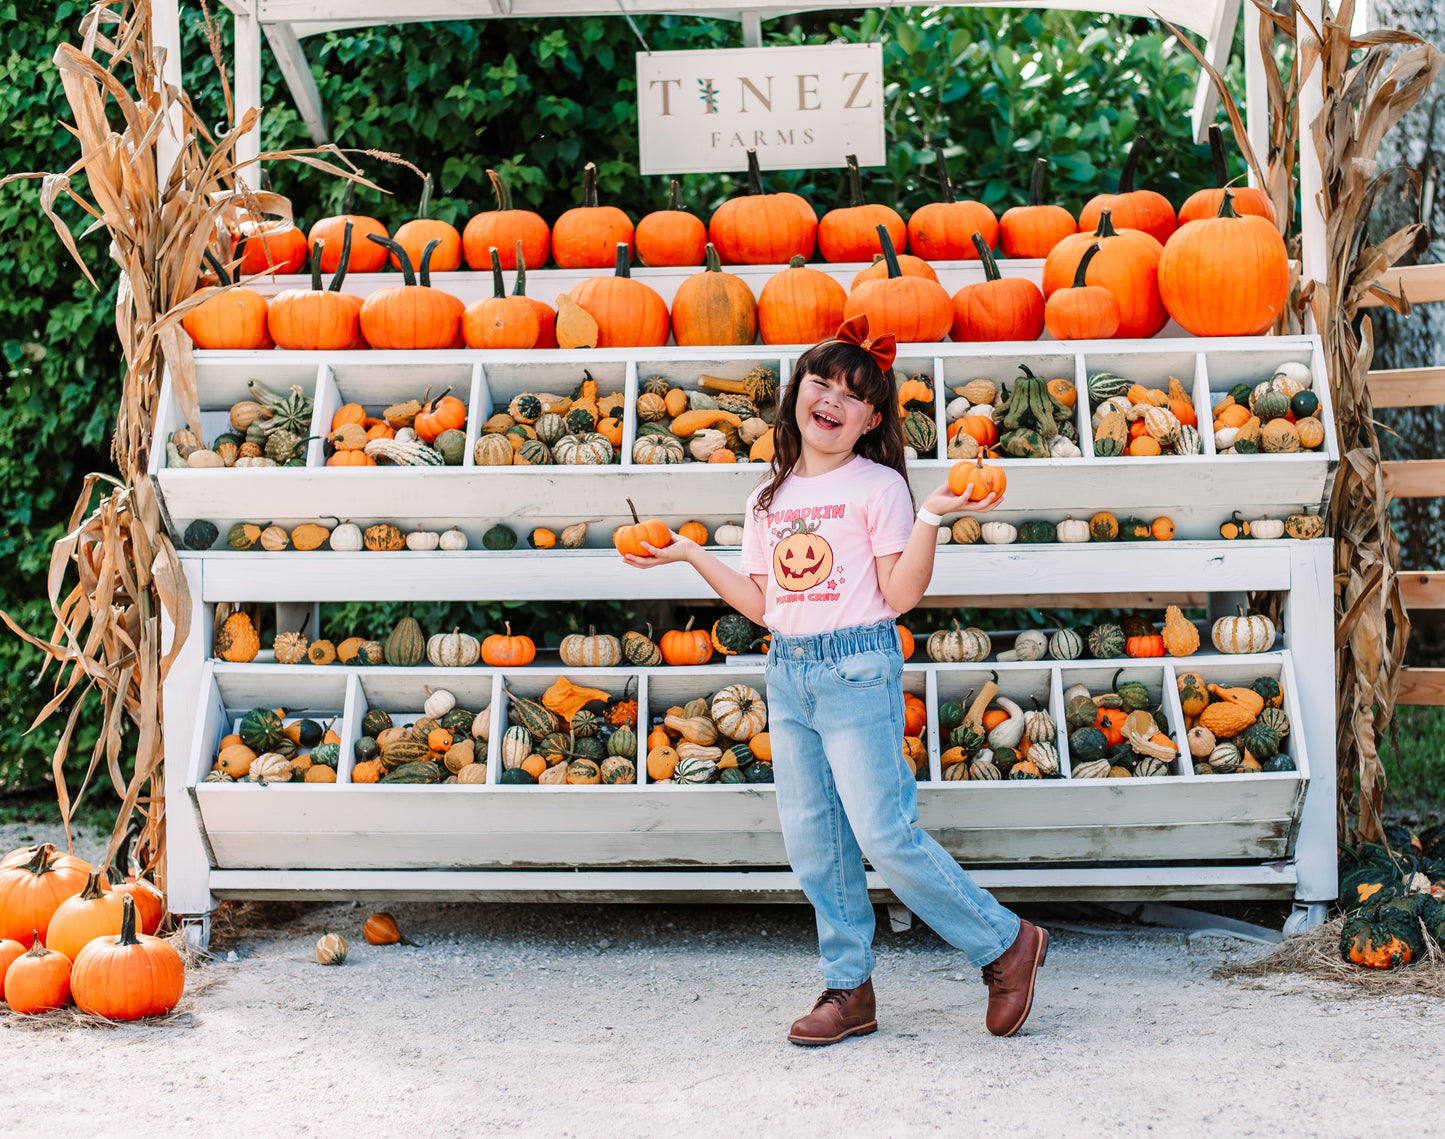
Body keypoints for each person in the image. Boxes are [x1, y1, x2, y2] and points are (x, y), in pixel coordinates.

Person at [624, 314, 1048, 1045]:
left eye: (851, 394)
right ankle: (848, 988)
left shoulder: (878, 486)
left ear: (870, 418)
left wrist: (931, 517)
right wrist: (693, 555)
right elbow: (764, 603)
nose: (830, 399)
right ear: (797, 393)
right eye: (820, 382)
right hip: (788, 670)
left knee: (883, 830)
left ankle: (1004, 940)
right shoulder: (767, 498)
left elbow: (902, 594)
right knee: (815, 842)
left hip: (855, 665)